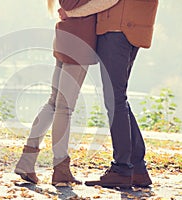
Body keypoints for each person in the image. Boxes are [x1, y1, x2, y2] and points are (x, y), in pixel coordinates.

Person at [62, 0, 159, 188]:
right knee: (118, 98)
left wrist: (72, 13)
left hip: (118, 30)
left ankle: (122, 169)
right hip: (129, 28)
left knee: (115, 100)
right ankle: (137, 168)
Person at [14, 0, 98, 186]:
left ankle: (27, 161)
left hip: (65, 35)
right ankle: (60, 170)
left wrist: (72, 14)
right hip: (80, 38)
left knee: (53, 102)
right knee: (64, 107)